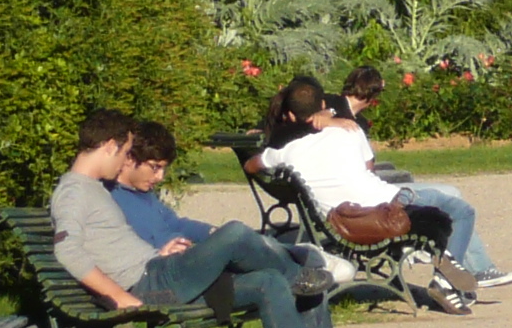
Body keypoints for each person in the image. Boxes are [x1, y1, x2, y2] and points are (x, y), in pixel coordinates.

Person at [49, 108, 361, 328]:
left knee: (269, 282)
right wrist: (118, 296)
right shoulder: (75, 191)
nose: (122, 164)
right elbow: (67, 250)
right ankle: (298, 275)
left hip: (160, 269)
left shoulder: (93, 188)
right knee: (236, 234)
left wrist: (163, 250)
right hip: (150, 281)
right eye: (123, 152)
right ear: (108, 146)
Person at [258, 93, 482, 314]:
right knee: (459, 210)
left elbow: (253, 164)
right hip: (385, 212)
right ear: (323, 107)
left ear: (288, 115)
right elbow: (369, 169)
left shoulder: (286, 152)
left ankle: (445, 261)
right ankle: (445, 279)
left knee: (434, 201)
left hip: (339, 221)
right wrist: (334, 123)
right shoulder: (348, 131)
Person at [114, 121, 353, 290]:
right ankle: (300, 262)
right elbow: (123, 251)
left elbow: (176, 223)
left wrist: (210, 232)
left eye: (163, 168)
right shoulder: (110, 200)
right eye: (155, 167)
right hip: (170, 274)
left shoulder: (143, 194)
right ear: (130, 159)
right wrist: (159, 253)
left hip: (187, 259)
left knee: (233, 237)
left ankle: (301, 259)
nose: (160, 177)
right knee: (236, 233)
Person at [335, 67, 512, 286]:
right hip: (366, 197)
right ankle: (466, 273)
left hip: (362, 191)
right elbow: (367, 169)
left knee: (449, 194)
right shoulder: (341, 119)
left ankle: (472, 268)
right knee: (452, 197)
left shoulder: (345, 118)